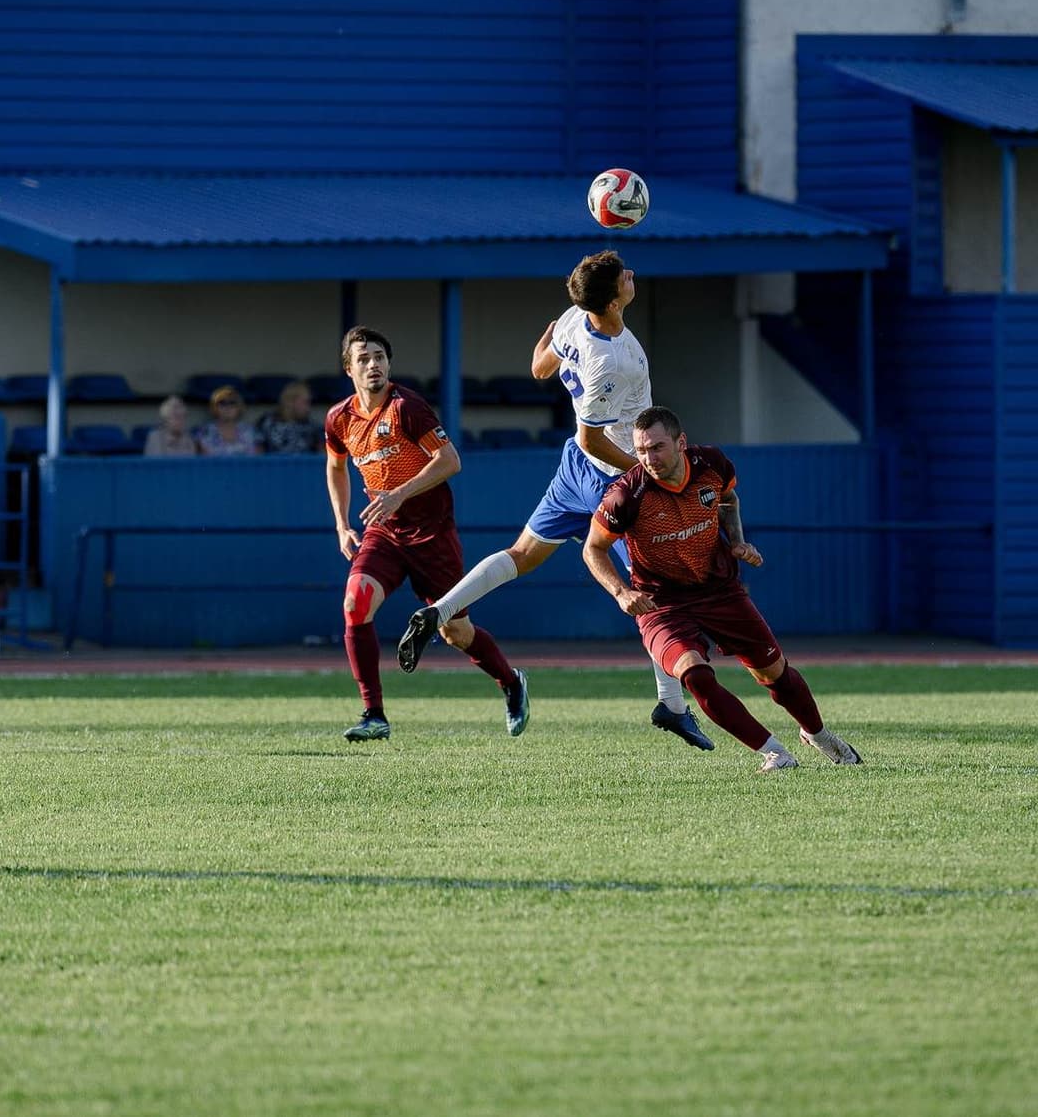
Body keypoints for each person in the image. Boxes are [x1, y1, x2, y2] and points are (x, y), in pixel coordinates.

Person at [397, 249, 713, 750]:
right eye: (624, 275)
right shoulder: (611, 360)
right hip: (610, 475)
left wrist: (547, 343)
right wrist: (645, 471)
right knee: (656, 585)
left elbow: (540, 368)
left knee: (522, 555)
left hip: (573, 471)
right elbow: (592, 439)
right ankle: (671, 704)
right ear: (613, 299)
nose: (632, 276)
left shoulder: (573, 318)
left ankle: (442, 609)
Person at [582, 406, 862, 774]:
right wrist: (620, 592)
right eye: (641, 450)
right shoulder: (627, 495)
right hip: (662, 605)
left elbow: (728, 500)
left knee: (774, 674)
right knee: (694, 675)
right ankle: (774, 752)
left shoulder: (711, 464)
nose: (649, 458)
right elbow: (593, 548)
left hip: (720, 590)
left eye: (657, 447)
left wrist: (737, 541)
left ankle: (818, 735)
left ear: (681, 442)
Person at [323, 326, 528, 740]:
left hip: (432, 534)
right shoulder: (339, 418)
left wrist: (398, 494)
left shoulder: (406, 408)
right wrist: (343, 524)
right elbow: (335, 466)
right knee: (356, 601)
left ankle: (510, 681)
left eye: (380, 356)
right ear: (349, 369)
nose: (373, 364)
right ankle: (373, 714)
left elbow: (450, 460)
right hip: (384, 533)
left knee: (457, 632)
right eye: (363, 359)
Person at [257, 380, 324, 454]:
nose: (308, 408)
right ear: (290, 401)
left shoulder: (313, 427)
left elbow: (322, 455)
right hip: (273, 464)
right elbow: (257, 453)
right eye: (305, 402)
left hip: (304, 464)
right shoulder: (267, 422)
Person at [195, 385, 261, 456]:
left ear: (239, 407)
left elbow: (258, 460)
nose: (227, 407)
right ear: (214, 407)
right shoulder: (204, 431)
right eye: (222, 403)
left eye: (232, 403)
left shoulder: (251, 431)